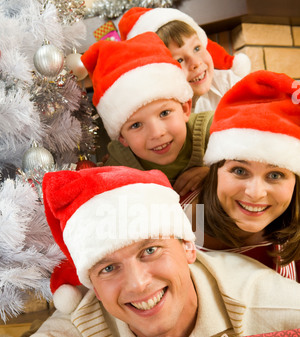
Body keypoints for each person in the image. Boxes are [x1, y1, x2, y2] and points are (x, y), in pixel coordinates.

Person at [0, 165, 300, 337]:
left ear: (187, 247)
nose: (138, 284)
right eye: (108, 268)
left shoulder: (255, 294)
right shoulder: (82, 322)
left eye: (150, 250)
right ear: (92, 285)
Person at [187, 70, 300, 281]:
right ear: (215, 171)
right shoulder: (172, 218)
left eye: (275, 175)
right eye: (239, 171)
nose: (255, 193)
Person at [81, 31, 213, 197]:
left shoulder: (211, 130)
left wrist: (213, 173)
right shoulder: (119, 163)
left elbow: (252, 155)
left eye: (165, 113)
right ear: (122, 138)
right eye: (136, 125)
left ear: (186, 108)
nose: (157, 133)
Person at [118, 7, 251, 112]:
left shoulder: (228, 82)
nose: (196, 63)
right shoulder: (165, 112)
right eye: (180, 60)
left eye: (197, 48)